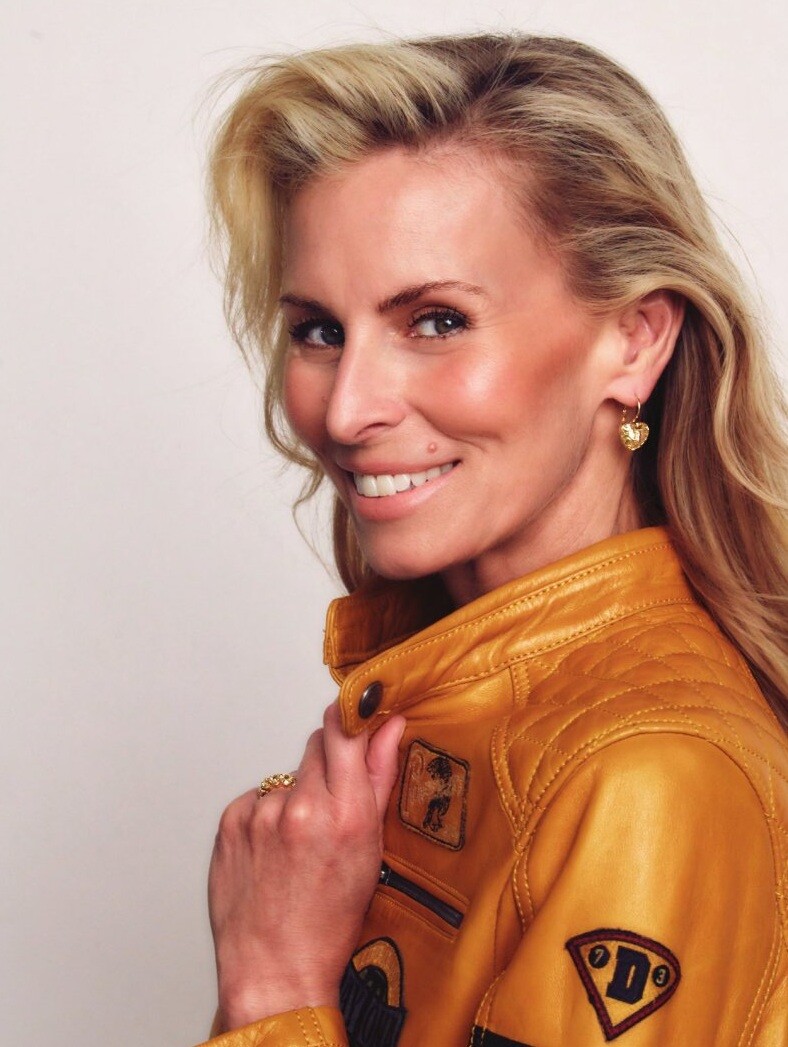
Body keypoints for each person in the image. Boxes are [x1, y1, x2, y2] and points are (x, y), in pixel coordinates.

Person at [198, 33, 788, 1046]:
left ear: (633, 339)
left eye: (434, 321)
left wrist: (273, 988)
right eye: (319, 330)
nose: (346, 409)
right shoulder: (453, 686)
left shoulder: (650, 776)